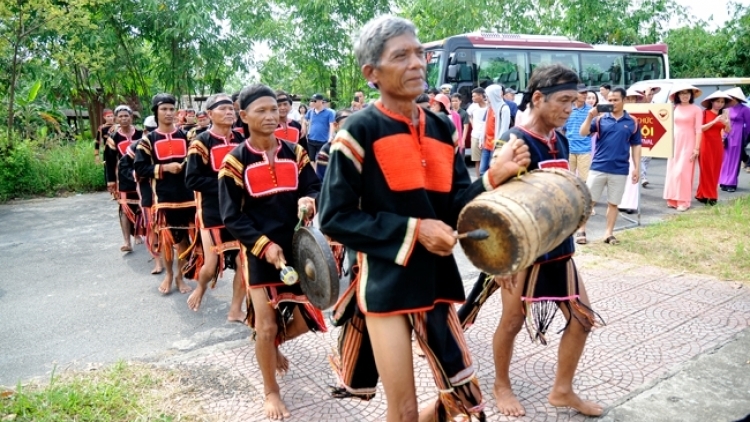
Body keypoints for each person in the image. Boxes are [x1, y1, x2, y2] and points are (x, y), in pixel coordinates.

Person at [318, 16, 530, 422]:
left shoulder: (439, 127)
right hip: (385, 281)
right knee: (404, 409)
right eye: (401, 56)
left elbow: (453, 206)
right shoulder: (357, 131)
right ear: (372, 73)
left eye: (419, 53)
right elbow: (335, 218)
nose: (417, 63)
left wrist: (493, 176)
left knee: (463, 400)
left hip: (435, 278)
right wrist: (415, 230)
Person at [457, 63, 604, 419]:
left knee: (582, 319)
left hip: (560, 250)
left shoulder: (562, 138)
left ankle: (562, 390)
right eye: (565, 101)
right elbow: (493, 205)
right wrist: (502, 260)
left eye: (575, 101)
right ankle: (501, 385)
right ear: (537, 98)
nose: (571, 108)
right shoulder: (515, 141)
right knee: (511, 322)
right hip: (522, 255)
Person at [218, 84, 327, 420]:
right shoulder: (234, 161)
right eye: (261, 111)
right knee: (266, 327)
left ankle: (267, 345)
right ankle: (270, 391)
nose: (271, 116)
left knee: (307, 320)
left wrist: (311, 199)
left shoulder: (296, 151)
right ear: (244, 115)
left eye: (274, 109)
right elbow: (230, 216)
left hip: (298, 247)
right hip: (259, 252)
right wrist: (263, 246)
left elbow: (314, 185)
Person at [184, 93, 245, 322]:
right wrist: (226, 185)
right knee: (211, 263)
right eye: (223, 109)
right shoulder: (201, 142)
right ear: (210, 114)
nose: (230, 112)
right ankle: (200, 287)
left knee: (243, 263)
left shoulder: (241, 139)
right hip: (213, 212)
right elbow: (192, 180)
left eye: (232, 109)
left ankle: (235, 309)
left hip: (240, 212)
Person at [134, 93, 195, 295]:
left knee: (187, 241)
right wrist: (165, 168)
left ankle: (180, 276)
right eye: (164, 109)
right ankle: (169, 274)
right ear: (156, 112)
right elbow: (140, 169)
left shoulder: (187, 136)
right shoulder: (147, 141)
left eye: (171, 109)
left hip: (189, 198)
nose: (169, 113)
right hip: (164, 199)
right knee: (168, 241)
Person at [576, 87, 642, 245]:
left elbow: (636, 145)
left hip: (620, 169)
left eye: (615, 100)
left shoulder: (632, 122)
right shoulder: (600, 119)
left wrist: (637, 167)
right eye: (609, 100)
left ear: (624, 100)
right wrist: (589, 116)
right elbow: (583, 133)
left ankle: (608, 233)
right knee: (589, 201)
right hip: (598, 166)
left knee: (613, 203)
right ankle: (581, 230)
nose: (612, 103)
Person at [120, 116, 163, 275]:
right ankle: (158, 260)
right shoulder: (137, 146)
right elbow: (124, 166)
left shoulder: (174, 139)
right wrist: (136, 174)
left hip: (171, 193)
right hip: (147, 192)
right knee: (151, 225)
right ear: (145, 131)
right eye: (151, 131)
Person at [106, 105, 144, 252]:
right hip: (124, 178)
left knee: (143, 207)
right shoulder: (113, 138)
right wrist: (111, 182)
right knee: (124, 207)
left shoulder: (141, 134)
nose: (124, 119)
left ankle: (139, 234)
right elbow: (110, 162)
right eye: (120, 116)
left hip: (142, 175)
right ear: (116, 119)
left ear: (131, 117)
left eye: (126, 116)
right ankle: (127, 241)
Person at [663, 85, 702, 211]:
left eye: (687, 93)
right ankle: (672, 198)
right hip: (674, 142)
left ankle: (683, 201)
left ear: (691, 95)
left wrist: (696, 148)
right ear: (677, 96)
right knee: (673, 170)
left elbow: (698, 130)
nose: (685, 95)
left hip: (689, 142)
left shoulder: (696, 110)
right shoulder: (674, 108)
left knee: (683, 171)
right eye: (682, 93)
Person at [696, 91, 732, 205]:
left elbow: (728, 131)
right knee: (706, 170)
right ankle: (710, 195)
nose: (720, 104)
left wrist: (726, 122)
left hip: (717, 145)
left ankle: (702, 194)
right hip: (705, 144)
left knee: (715, 170)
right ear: (712, 101)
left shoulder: (724, 115)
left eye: (722, 102)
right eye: (717, 101)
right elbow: (700, 128)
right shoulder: (705, 113)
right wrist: (714, 121)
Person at [617, 89, 646, 214]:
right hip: (620, 147)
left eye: (634, 98)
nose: (632, 101)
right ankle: (621, 202)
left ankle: (631, 204)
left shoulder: (641, 112)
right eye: (629, 98)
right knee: (621, 176)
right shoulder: (619, 113)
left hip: (633, 146)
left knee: (633, 173)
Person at [719, 87, 750, 192]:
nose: (728, 100)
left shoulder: (745, 109)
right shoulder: (726, 109)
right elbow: (722, 122)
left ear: (736, 98)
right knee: (725, 159)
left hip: (738, 135)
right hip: (726, 134)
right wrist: (722, 135)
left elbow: (749, 125)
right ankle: (723, 181)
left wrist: (744, 136)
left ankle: (731, 183)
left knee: (735, 159)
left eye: (730, 98)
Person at [481, 84, 511, 175]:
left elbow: (504, 130)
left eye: (488, 96)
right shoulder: (489, 108)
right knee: (482, 171)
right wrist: (481, 139)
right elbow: (485, 125)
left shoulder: (504, 109)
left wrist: (498, 146)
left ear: (493, 95)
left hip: (495, 145)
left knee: (492, 170)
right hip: (486, 144)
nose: (486, 98)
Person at [564, 86, 593, 182]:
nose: (585, 95)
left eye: (586, 92)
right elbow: (563, 129)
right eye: (582, 93)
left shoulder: (591, 110)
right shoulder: (567, 109)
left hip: (584, 150)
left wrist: (585, 138)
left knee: (585, 181)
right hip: (569, 149)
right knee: (567, 179)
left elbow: (592, 130)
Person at [315, 108, 352, 180]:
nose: (350, 128)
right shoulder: (327, 150)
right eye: (346, 124)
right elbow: (321, 179)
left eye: (353, 125)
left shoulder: (360, 148)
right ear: (336, 125)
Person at [303, 93, 336, 163]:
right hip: (311, 139)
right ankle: (313, 173)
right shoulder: (310, 112)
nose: (313, 102)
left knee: (320, 160)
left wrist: (331, 137)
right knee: (311, 160)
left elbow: (331, 125)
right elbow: (304, 119)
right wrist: (304, 129)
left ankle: (318, 173)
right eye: (312, 101)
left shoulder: (329, 113)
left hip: (323, 140)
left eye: (315, 101)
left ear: (321, 101)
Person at [467, 87, 488, 177]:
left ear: (480, 95)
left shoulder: (489, 106)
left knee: (488, 159)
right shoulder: (473, 106)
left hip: (487, 136)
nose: (472, 98)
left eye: (474, 96)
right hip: (475, 136)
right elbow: (469, 115)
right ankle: (478, 179)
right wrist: (473, 125)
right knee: (477, 160)